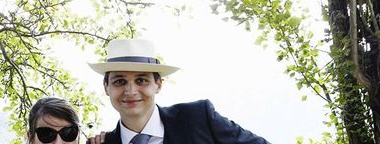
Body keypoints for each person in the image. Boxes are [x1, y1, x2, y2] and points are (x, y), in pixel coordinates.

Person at [86, 38, 270, 144]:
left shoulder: (199, 118)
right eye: (120, 81)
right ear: (106, 88)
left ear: (158, 84)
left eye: (141, 80)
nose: (131, 90)